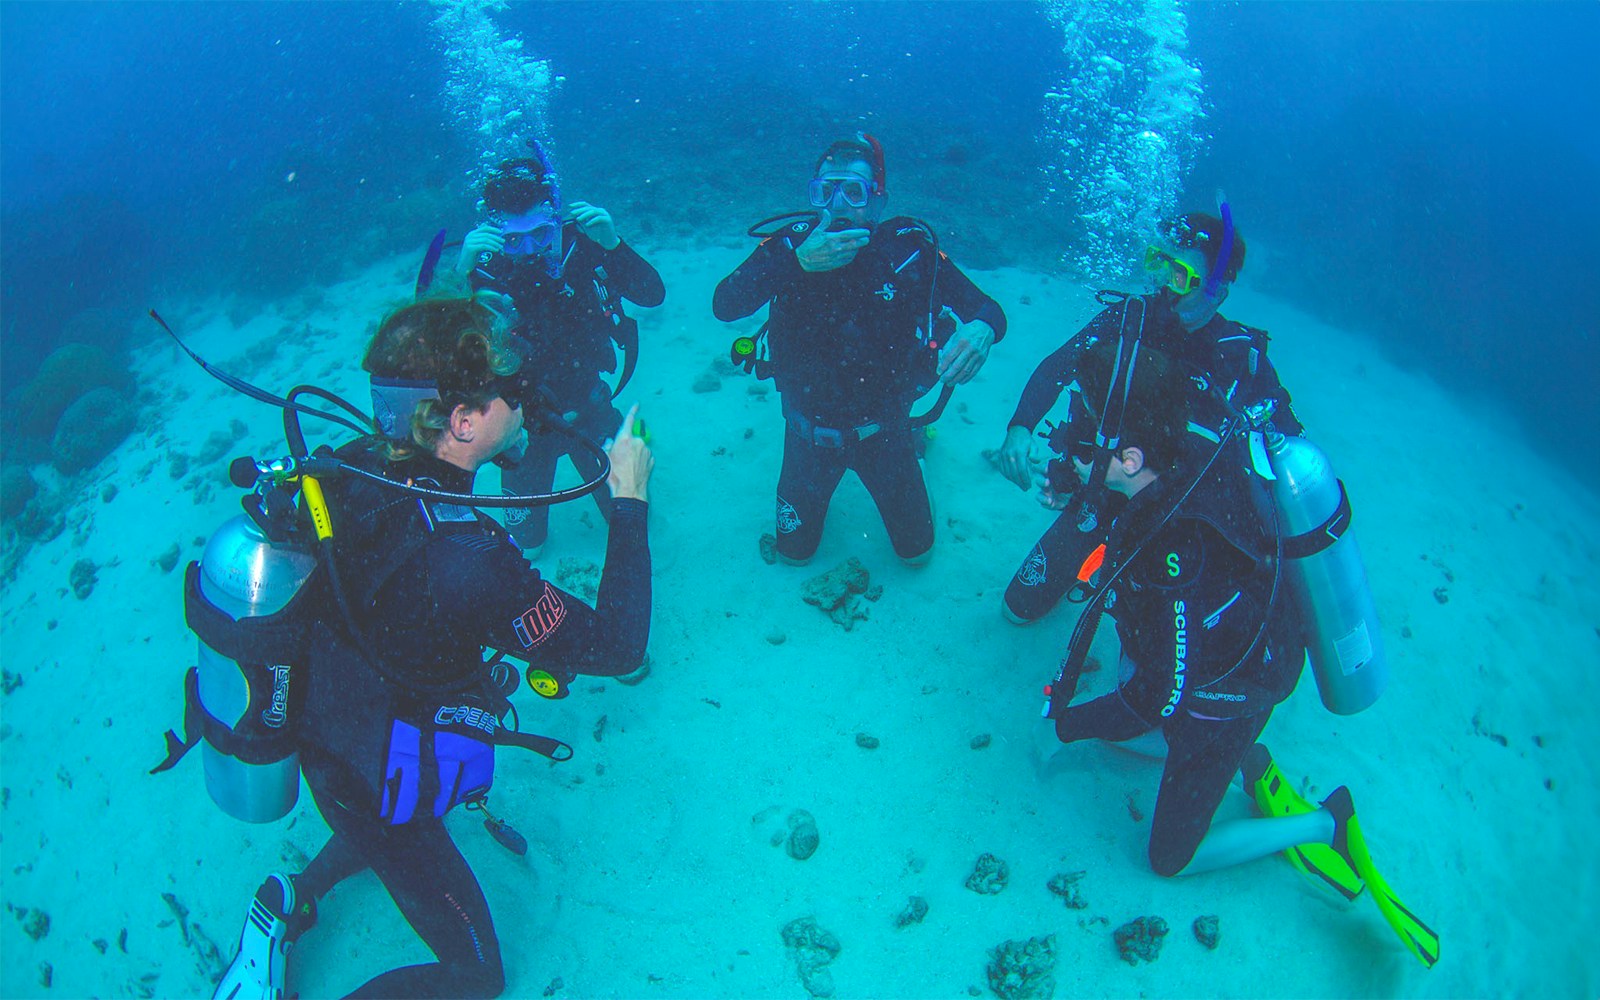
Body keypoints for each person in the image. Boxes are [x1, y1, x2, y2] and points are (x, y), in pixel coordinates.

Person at [213, 298, 654, 998]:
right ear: (464, 420)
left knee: (388, 823)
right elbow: (618, 646)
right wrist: (628, 503)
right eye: (514, 390)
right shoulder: (470, 561)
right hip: (376, 782)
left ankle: (294, 893)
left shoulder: (349, 469)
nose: (526, 400)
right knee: (477, 975)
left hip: (329, 741)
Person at [1041, 337, 1437, 967]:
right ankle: (1238, 757)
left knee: (1169, 858)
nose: (1071, 445)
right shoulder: (1187, 451)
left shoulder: (1175, 541)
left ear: (1132, 454)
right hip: (1236, 640)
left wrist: (1073, 724)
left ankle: (1324, 823)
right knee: (1135, 730)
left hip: (1232, 691)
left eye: (1087, 441)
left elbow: (1156, 697)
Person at [995, 210, 1303, 623]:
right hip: (1105, 494)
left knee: (1157, 643)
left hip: (1187, 527)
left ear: (1218, 290)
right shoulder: (1130, 321)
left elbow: (1290, 445)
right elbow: (1059, 366)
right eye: (1158, 262)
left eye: (1180, 275)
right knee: (1018, 609)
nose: (1162, 285)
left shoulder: (1239, 358)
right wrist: (1020, 427)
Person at [712, 134, 1006, 565]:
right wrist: (794, 263)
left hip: (884, 433)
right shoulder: (790, 244)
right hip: (806, 434)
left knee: (917, 554)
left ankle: (917, 448)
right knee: (794, 554)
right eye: (824, 190)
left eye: (853, 191)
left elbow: (988, 309)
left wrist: (982, 329)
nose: (837, 204)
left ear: (876, 202)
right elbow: (725, 304)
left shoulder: (907, 250)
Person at [459, 151, 665, 557]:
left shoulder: (581, 247)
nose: (530, 251)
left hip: (590, 409)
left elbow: (652, 294)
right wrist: (460, 269)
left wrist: (613, 244)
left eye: (540, 233)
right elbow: (426, 348)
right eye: (514, 240)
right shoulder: (485, 268)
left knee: (635, 519)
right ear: (496, 233)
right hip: (520, 427)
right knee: (527, 547)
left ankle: (632, 450)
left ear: (556, 218)